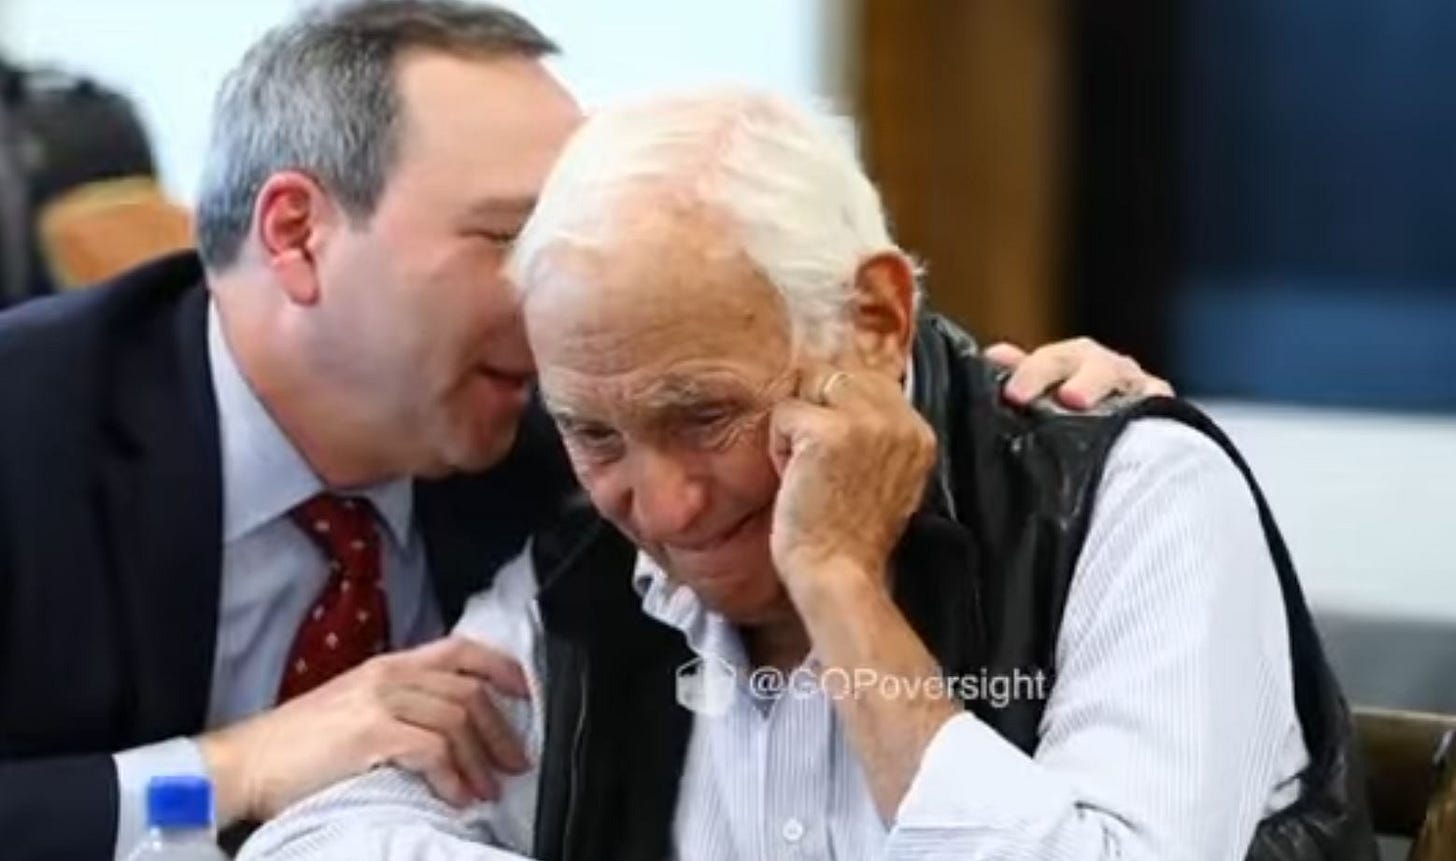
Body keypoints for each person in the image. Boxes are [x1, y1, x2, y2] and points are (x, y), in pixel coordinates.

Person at [0, 3, 1171, 860]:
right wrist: (232, 769)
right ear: (300, 236)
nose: (562, 300)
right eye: (513, 240)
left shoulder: (582, 445)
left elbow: (768, 341)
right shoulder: (29, 420)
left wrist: (988, 398)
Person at [240, 90, 1375, 861]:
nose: (668, 506)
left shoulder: (1131, 500)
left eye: (707, 414)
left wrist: (841, 589)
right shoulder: (591, 551)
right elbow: (326, 827)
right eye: (595, 435)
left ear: (874, 320)